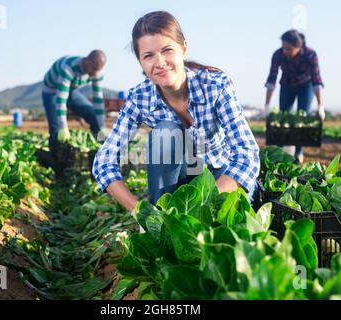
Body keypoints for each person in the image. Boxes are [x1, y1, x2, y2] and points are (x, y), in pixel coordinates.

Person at [92, 11, 260, 212]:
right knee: (165, 131)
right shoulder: (139, 98)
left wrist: (203, 207)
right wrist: (140, 211)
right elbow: (103, 162)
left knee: (226, 224)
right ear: (140, 63)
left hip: (221, 178)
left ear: (183, 49)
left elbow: (246, 155)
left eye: (167, 50)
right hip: (179, 187)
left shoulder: (215, 85)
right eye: (148, 56)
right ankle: (162, 218)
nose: (160, 62)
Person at [264, 29, 325, 163]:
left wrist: (321, 106)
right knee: (284, 116)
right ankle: (279, 153)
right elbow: (271, 80)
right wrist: (267, 105)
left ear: (299, 46)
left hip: (306, 86)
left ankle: (298, 154)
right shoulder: (278, 54)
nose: (285, 51)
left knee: (302, 116)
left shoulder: (310, 54)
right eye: (283, 47)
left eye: (289, 49)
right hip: (287, 85)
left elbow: (316, 81)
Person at [42, 50, 106, 153]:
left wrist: (102, 126)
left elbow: (98, 100)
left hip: (71, 90)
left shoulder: (96, 73)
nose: (95, 73)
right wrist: (63, 127)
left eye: (98, 70)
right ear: (86, 61)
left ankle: (102, 151)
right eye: (93, 68)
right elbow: (61, 99)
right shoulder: (68, 68)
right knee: (56, 129)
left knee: (94, 117)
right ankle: (57, 158)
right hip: (51, 91)